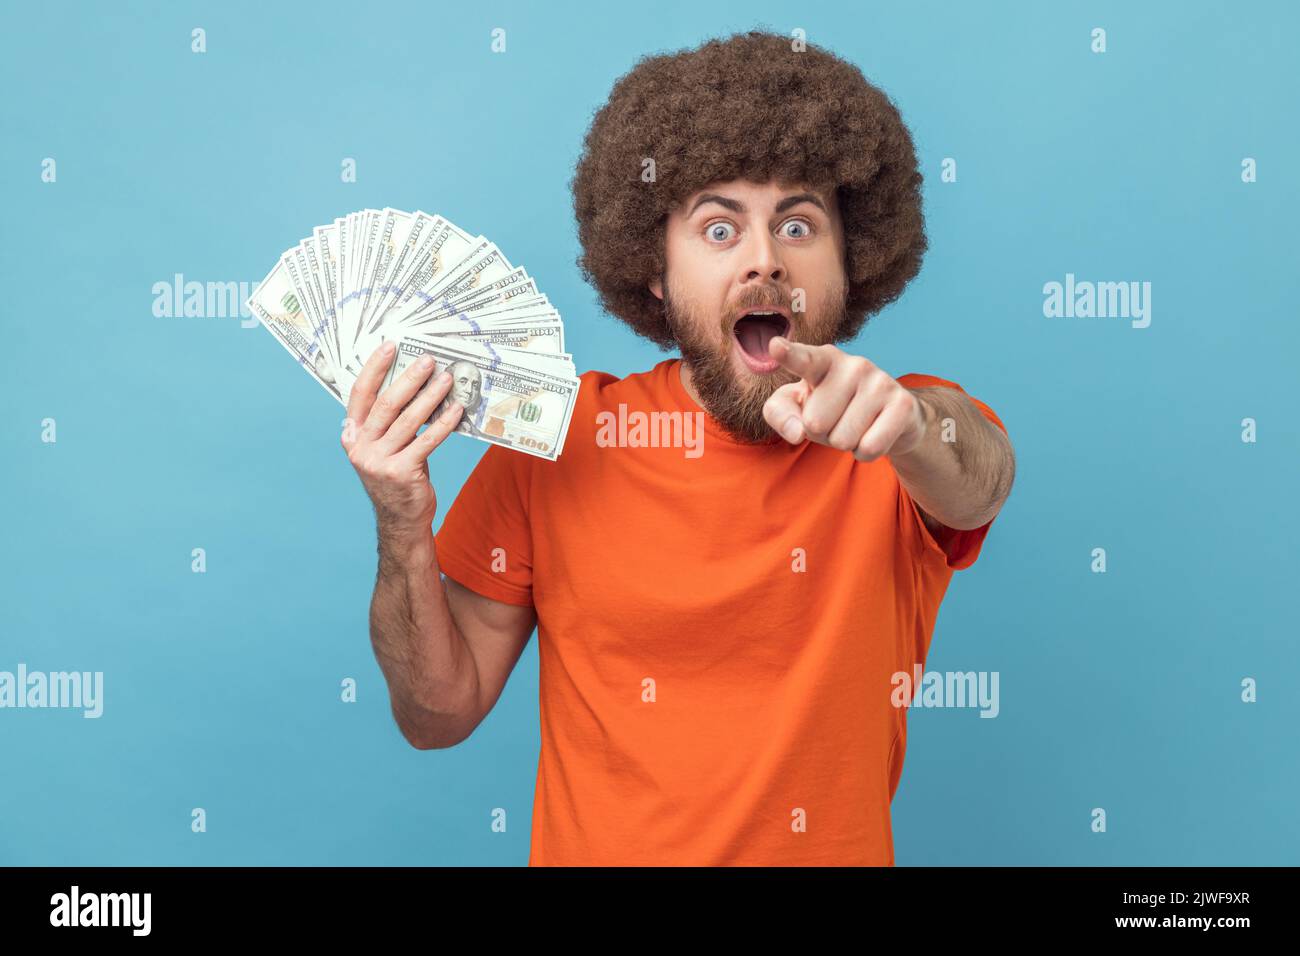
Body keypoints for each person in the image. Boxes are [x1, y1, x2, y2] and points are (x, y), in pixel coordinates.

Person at [341, 30, 1016, 866]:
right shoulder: (558, 441)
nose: (765, 262)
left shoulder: (893, 435)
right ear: (655, 269)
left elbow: (978, 477)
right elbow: (435, 715)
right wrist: (401, 525)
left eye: (799, 226)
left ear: (854, 262)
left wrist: (915, 427)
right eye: (719, 230)